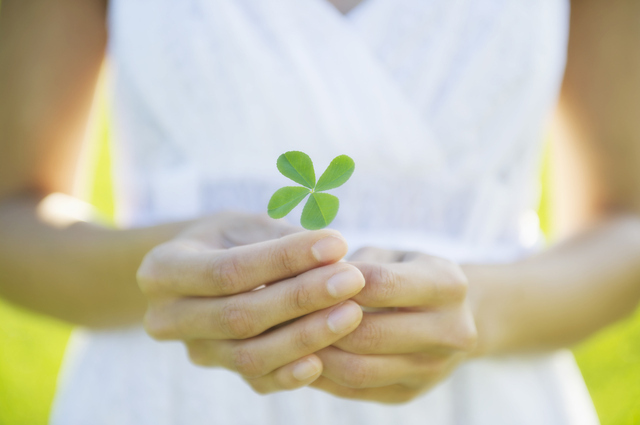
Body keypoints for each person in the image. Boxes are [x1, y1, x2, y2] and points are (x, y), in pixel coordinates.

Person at [1, 0, 639, 423]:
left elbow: (627, 223)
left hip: (487, 402)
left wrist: (480, 309)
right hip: (167, 398)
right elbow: (12, 214)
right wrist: (172, 283)